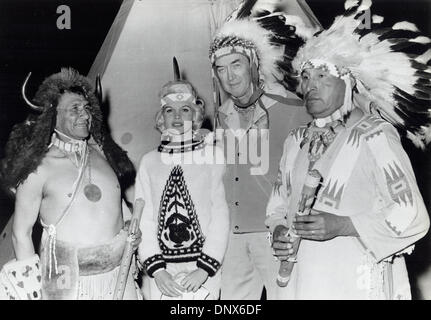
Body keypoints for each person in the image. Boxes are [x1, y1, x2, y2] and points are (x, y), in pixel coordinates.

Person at [266, 0, 431, 299]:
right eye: (306, 77)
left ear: (348, 82)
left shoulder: (375, 135)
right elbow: (278, 205)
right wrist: (278, 231)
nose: (310, 86)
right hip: (300, 281)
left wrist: (344, 225)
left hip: (352, 278)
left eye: (322, 76)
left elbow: (412, 214)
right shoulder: (295, 141)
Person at [0, 68, 140, 300]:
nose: (85, 115)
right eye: (75, 109)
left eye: (86, 108)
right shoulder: (38, 168)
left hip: (119, 276)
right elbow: (21, 234)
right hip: (68, 283)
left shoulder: (105, 155)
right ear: (53, 115)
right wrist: (34, 293)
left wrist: (130, 228)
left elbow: (118, 204)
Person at [209, 3, 313, 300]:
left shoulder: (293, 109)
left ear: (254, 64)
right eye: (221, 68)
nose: (229, 77)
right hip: (232, 236)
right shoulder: (221, 116)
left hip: (277, 235)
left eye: (236, 65)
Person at [135, 61, 229, 300]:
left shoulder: (213, 156)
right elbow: (144, 219)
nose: (177, 116)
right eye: (170, 110)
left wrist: (204, 268)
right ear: (161, 118)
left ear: (195, 116)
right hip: (163, 274)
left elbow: (220, 213)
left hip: (204, 271)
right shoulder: (149, 161)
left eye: (185, 109)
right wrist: (158, 272)